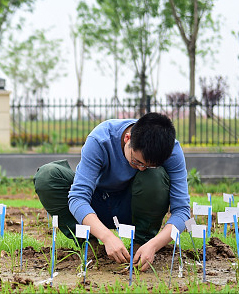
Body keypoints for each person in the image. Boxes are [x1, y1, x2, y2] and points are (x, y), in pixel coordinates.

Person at [33, 112, 189, 272]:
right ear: (127, 139)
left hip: (134, 207)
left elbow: (182, 211)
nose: (141, 168)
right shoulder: (100, 139)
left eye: (148, 165)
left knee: (154, 176)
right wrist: (106, 237)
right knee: (47, 176)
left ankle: (141, 244)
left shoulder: (172, 151)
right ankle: (89, 244)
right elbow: (78, 198)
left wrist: (155, 244)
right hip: (96, 207)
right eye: (136, 161)